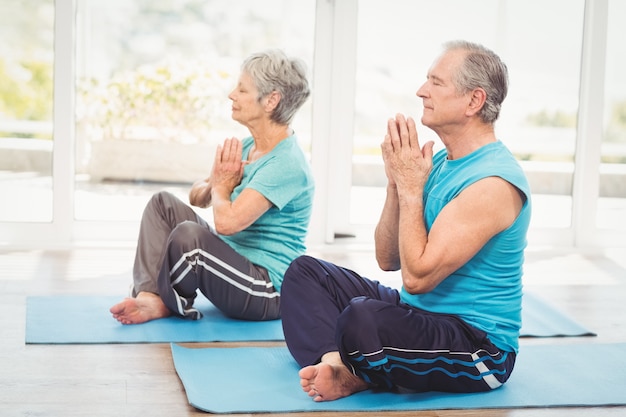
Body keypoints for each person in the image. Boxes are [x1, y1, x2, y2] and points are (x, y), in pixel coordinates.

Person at [280, 40, 532, 402]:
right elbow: (388, 259)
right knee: (304, 273)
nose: (421, 91)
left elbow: (417, 278)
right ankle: (340, 365)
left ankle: (358, 368)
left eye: (436, 82)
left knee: (362, 318)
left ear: (473, 101)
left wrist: (413, 188)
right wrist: (397, 184)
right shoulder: (441, 163)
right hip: (418, 314)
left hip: (477, 348)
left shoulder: (493, 184)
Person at [110, 49, 314, 324]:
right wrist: (216, 184)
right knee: (162, 204)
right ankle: (150, 296)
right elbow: (198, 196)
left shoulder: (286, 163)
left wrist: (221, 188)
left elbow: (227, 224)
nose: (232, 94)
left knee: (189, 238)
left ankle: (170, 302)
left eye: (242, 90)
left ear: (271, 101)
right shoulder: (247, 147)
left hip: (266, 290)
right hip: (232, 265)